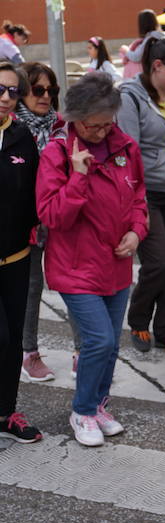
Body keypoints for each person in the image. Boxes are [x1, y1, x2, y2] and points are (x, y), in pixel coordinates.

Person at [36, 72, 148, 447]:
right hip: (75, 267)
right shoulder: (57, 154)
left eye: (106, 124)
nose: (101, 132)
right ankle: (82, 410)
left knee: (112, 343)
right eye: (92, 126)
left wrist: (136, 232)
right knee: (98, 340)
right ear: (74, 119)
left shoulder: (126, 148)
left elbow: (138, 198)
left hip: (115, 264)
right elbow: (52, 215)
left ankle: (99, 405)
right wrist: (79, 177)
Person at [117, 37, 165, 352]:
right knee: (159, 262)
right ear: (157, 66)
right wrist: (134, 202)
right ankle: (138, 320)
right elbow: (128, 154)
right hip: (145, 193)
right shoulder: (129, 98)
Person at [16, 62, 67, 383]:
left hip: (61, 217)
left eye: (52, 90)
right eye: (38, 90)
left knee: (73, 284)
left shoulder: (62, 126)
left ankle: (83, 353)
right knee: (31, 290)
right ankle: (28, 353)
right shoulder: (14, 130)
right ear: (24, 92)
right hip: (27, 222)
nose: (46, 96)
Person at [0, 61, 42, 443]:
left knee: (13, 338)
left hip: (15, 257)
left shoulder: (21, 136)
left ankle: (5, 412)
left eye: (13, 91)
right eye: (0, 88)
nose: (6, 97)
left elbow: (35, 193)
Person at [120, 9, 165, 81]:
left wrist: (125, 50)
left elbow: (136, 57)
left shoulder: (150, 39)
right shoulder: (160, 36)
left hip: (150, 76)